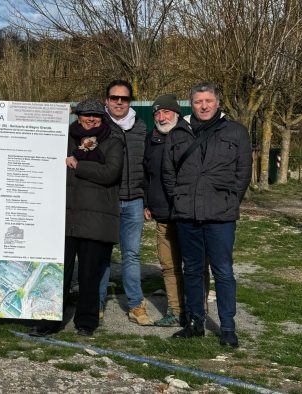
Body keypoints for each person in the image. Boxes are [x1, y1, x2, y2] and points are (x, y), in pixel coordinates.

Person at [162, 82, 252, 348]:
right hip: (187, 214)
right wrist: (178, 198)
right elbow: (168, 172)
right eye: (199, 101)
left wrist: (229, 200)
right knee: (192, 270)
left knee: (223, 271)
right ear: (192, 103)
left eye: (208, 101)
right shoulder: (178, 132)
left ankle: (227, 327)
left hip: (220, 215)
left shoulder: (235, 131)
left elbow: (243, 172)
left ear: (217, 103)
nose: (203, 106)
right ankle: (194, 323)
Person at [31, 99, 124, 337]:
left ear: (102, 118)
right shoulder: (62, 139)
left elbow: (110, 173)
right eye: (86, 115)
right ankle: (50, 319)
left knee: (89, 274)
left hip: (95, 219)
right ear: (78, 116)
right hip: (62, 217)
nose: (91, 119)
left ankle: (86, 321)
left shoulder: (112, 141)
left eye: (95, 115)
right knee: (56, 272)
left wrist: (78, 165)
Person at [101, 80, 152, 325]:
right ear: (106, 100)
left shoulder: (141, 127)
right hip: (107, 201)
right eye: (114, 98)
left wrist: (146, 200)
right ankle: (97, 304)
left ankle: (135, 306)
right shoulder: (98, 125)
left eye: (124, 98)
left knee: (131, 255)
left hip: (134, 201)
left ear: (129, 101)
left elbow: (148, 165)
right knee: (103, 255)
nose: (119, 102)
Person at [144, 94, 186, 327]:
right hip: (162, 214)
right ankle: (175, 311)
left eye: (166, 112)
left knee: (194, 266)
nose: (161, 117)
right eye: (157, 114)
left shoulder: (190, 136)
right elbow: (147, 175)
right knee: (169, 265)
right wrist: (147, 203)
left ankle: (196, 311)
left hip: (188, 215)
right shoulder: (151, 140)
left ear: (176, 113)